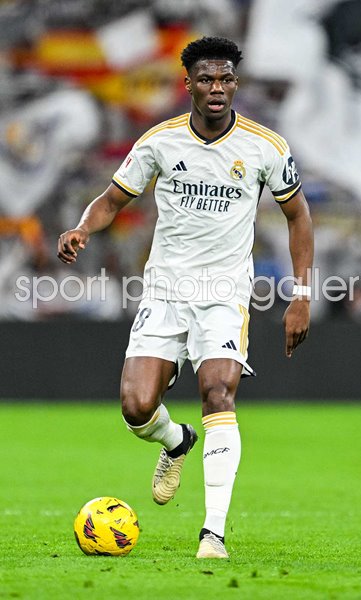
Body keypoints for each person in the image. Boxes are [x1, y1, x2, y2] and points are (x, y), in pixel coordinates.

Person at [57, 36, 313, 559]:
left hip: (225, 292)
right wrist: (83, 228)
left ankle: (212, 533)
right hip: (166, 289)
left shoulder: (266, 146)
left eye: (225, 80)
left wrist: (301, 294)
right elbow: (111, 200)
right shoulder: (160, 142)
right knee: (135, 406)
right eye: (206, 79)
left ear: (234, 84)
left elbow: (299, 217)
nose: (216, 89)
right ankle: (175, 440)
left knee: (218, 391)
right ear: (188, 84)